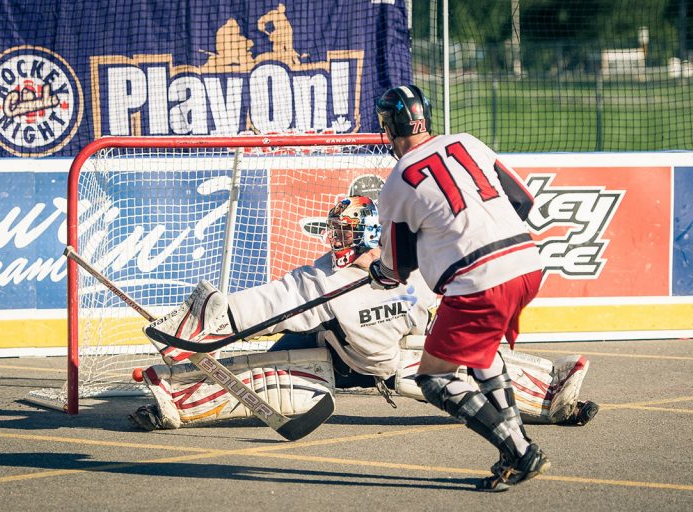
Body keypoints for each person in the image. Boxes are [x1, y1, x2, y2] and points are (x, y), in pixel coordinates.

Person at [131, 195, 597, 437]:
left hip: (391, 364)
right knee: (264, 376)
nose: (333, 239)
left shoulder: (412, 277)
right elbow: (266, 305)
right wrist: (209, 319)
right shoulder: (322, 279)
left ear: (367, 234)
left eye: (343, 231)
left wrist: (465, 349)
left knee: (465, 370)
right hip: (330, 358)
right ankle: (169, 401)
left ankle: (557, 399)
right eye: (333, 230)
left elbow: (444, 324)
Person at [368, 84, 551, 491]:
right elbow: (521, 200)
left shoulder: (398, 179)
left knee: (434, 378)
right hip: (527, 264)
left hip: (480, 282)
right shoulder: (468, 141)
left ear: (390, 126)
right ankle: (512, 451)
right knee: (483, 355)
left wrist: (381, 274)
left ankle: (520, 450)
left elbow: (397, 265)